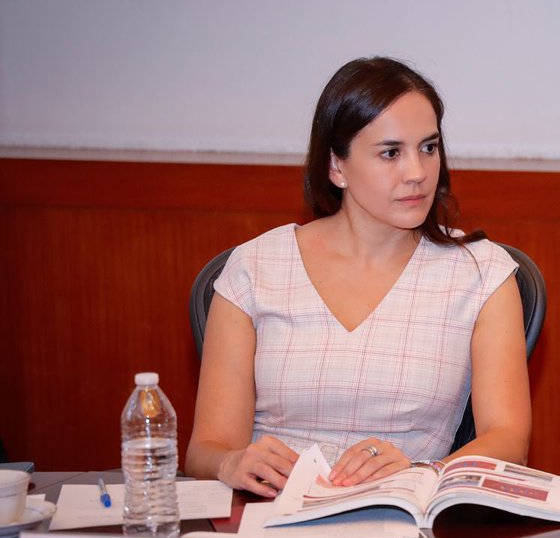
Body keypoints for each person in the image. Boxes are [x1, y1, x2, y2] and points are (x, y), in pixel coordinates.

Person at [186, 57, 531, 497]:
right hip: (267, 514)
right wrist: (232, 462)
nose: (418, 173)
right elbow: (205, 451)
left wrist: (423, 471)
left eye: (429, 147)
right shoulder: (256, 267)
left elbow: (509, 441)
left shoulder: (482, 273)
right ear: (336, 166)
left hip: (406, 514)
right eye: (391, 153)